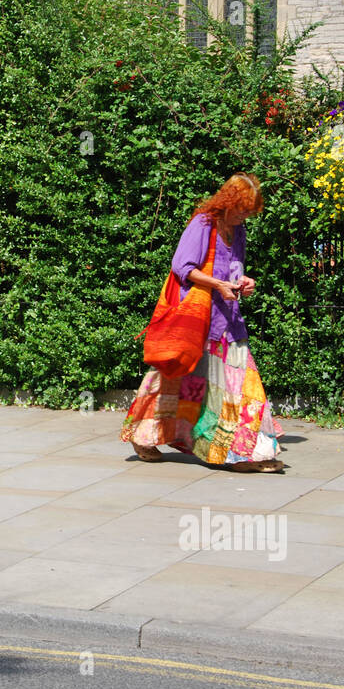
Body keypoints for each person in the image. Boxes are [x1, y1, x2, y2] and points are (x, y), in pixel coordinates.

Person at [120, 173, 285, 472]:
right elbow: (182, 267)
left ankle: (242, 453)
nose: (246, 214)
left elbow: (235, 270)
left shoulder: (240, 231)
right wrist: (217, 285)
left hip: (229, 321)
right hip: (198, 320)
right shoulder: (203, 224)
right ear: (229, 201)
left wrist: (243, 282)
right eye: (243, 208)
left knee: (242, 387)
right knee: (172, 379)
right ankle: (143, 435)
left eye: (251, 210)